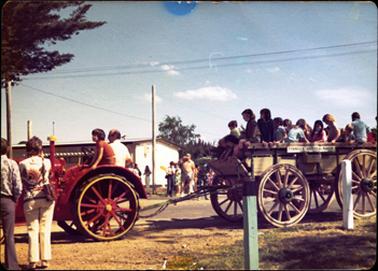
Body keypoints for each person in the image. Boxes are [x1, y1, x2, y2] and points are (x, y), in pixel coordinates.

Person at [19, 136, 55, 269]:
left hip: (30, 198)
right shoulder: (47, 162)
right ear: (40, 148)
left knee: (32, 230)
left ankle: (33, 261)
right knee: (45, 229)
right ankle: (45, 260)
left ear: (28, 149)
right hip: (46, 198)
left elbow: (22, 181)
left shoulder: (22, 163)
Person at [1, 138, 22, 270]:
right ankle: (11, 266)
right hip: (6, 200)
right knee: (9, 235)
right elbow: (18, 186)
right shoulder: (11, 164)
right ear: (7, 149)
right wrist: (14, 198)